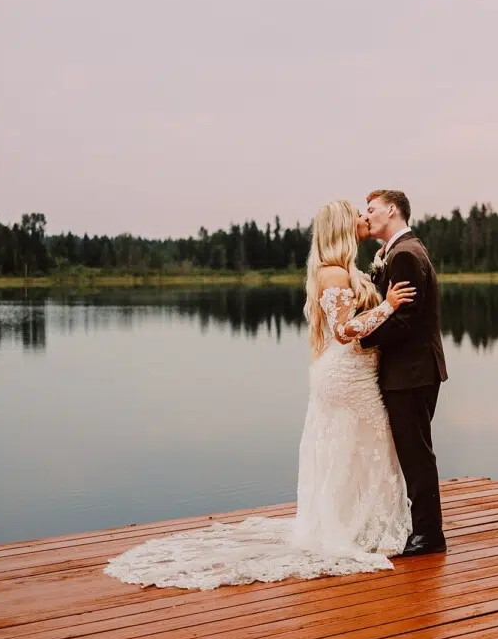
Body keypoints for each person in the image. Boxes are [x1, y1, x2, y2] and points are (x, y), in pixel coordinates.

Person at [103, 200, 417, 590]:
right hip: (346, 375)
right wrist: (387, 306)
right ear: (341, 226)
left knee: (351, 448)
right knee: (364, 445)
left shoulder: (337, 270)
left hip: (345, 373)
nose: (362, 218)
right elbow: (343, 331)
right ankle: (357, 530)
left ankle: (353, 526)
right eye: (355, 213)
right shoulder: (334, 274)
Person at [360, 189, 449, 556]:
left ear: (392, 210)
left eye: (372, 209)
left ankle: (429, 535)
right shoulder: (394, 253)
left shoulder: (407, 255)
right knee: (413, 451)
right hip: (409, 370)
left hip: (412, 371)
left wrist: (362, 337)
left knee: (416, 453)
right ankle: (421, 528)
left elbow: (406, 322)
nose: (366, 216)